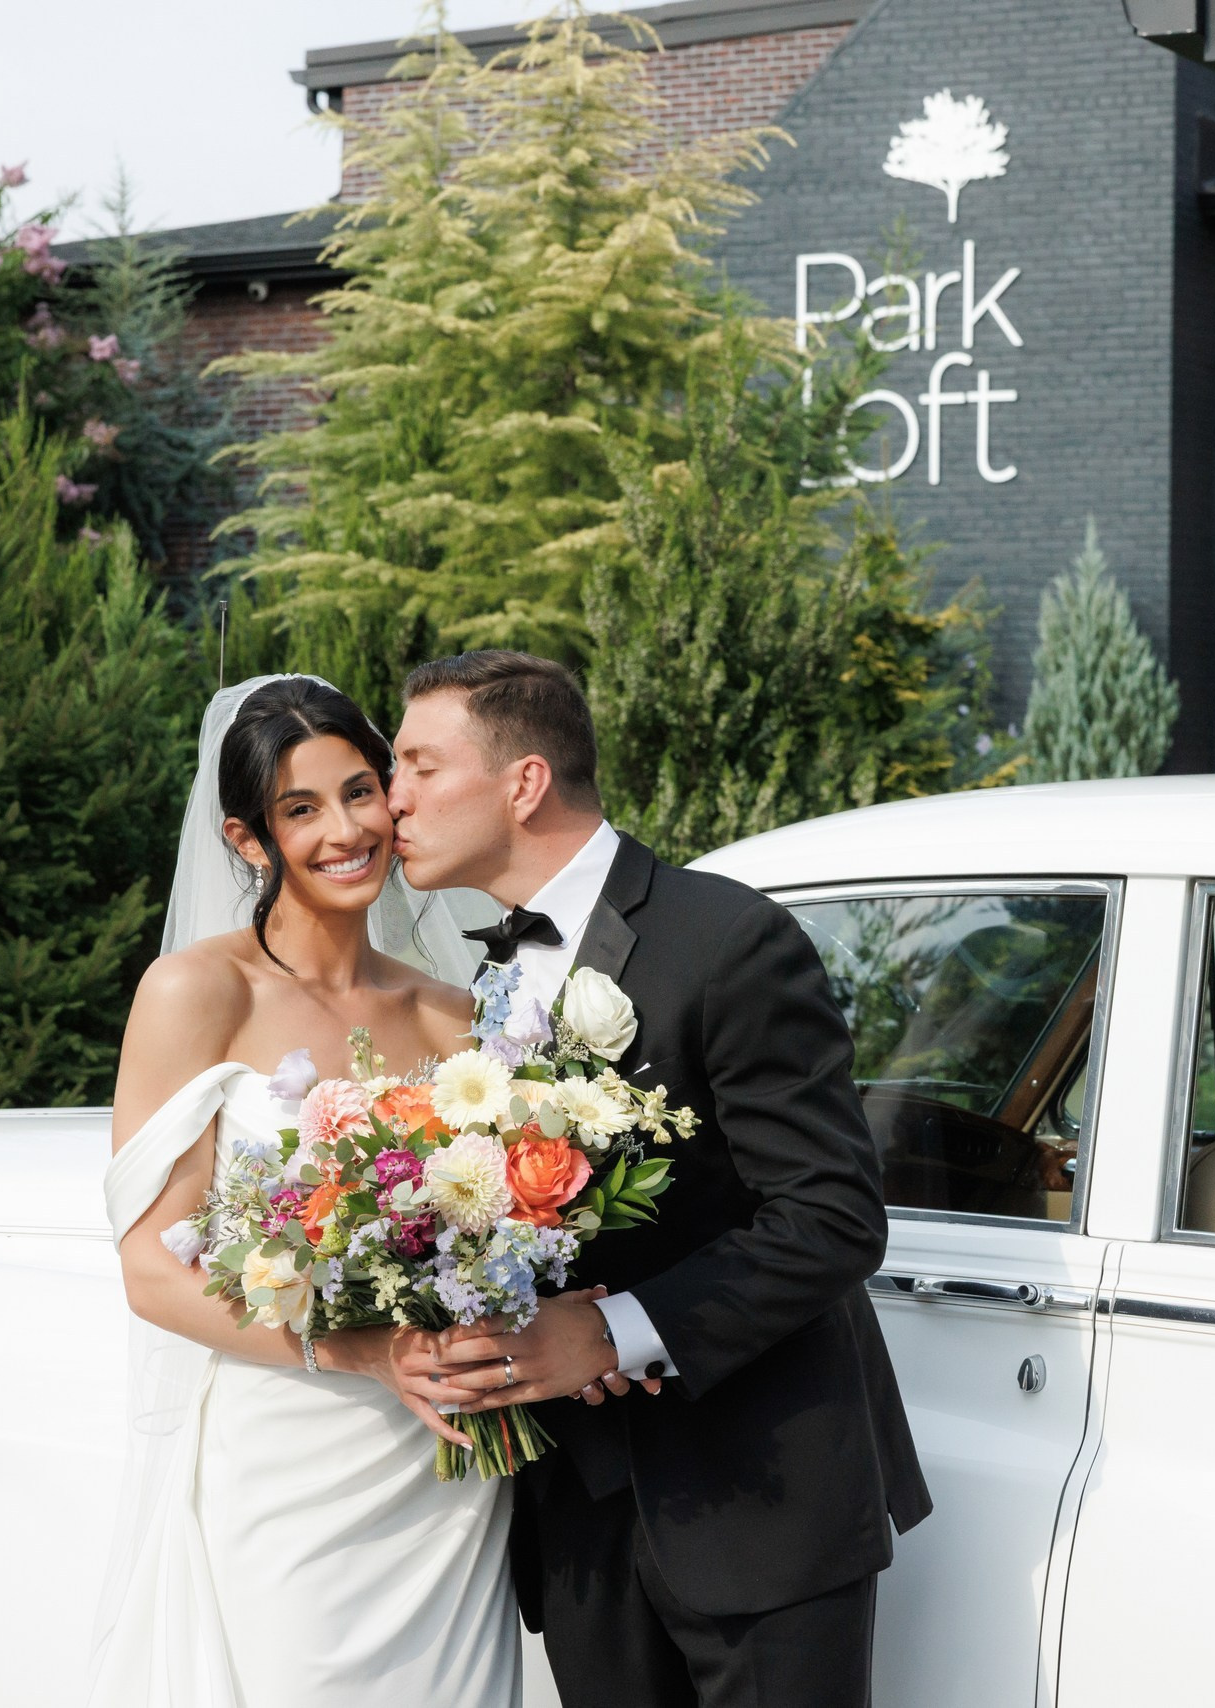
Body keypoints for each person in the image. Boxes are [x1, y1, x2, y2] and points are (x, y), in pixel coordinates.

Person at [387, 651, 931, 1708]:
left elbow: (831, 1216)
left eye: (417, 763)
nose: (393, 796)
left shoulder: (728, 939)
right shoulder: (490, 978)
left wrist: (614, 1328)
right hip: (582, 1515)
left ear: (524, 781)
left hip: (757, 1496)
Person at [87, 675, 523, 1707]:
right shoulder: (198, 992)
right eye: (301, 808)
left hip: (444, 1474)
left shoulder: (457, 1014)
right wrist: (361, 1349)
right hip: (287, 1458)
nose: (346, 829)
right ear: (246, 840)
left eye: (361, 790)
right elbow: (152, 1270)